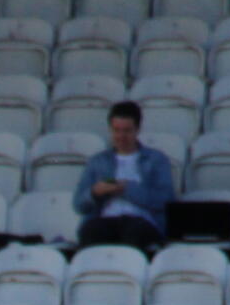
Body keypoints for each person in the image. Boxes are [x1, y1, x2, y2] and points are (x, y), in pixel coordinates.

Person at [72, 100, 174, 253]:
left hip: (141, 221)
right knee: (90, 232)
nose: (121, 136)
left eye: (127, 131)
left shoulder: (156, 159)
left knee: (134, 232)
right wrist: (94, 193)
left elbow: (165, 200)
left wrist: (127, 188)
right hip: (105, 219)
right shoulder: (98, 161)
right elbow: (78, 205)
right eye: (116, 130)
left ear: (137, 130)